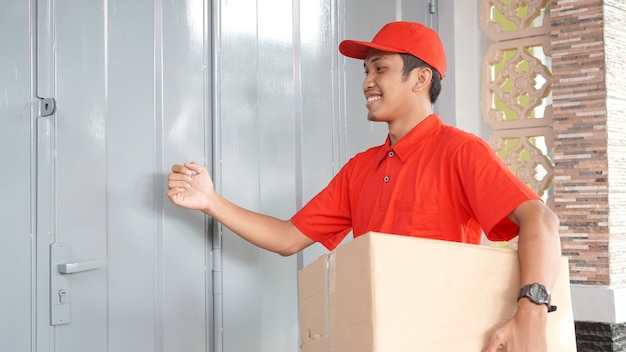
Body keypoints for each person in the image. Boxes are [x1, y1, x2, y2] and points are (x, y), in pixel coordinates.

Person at [167, 21, 562, 352]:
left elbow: (540, 221)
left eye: (380, 69)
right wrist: (211, 202)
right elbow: (288, 237)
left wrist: (530, 313)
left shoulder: (460, 152)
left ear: (421, 78)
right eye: (366, 72)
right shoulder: (360, 169)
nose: (367, 83)